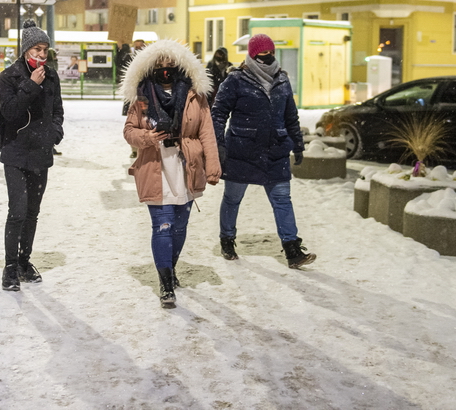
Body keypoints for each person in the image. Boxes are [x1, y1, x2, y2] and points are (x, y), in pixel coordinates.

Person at [121, 39, 221, 309]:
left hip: (185, 168)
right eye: (160, 65)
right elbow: (129, 131)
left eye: (171, 64)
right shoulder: (141, 98)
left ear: (180, 66)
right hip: (155, 168)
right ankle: (165, 283)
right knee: (162, 226)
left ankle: (171, 267)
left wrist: (213, 166)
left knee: (179, 227)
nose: (165, 69)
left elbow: (207, 133)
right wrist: (148, 136)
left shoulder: (193, 95)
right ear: (151, 67)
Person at [211, 33, 316, 269]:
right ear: (252, 55)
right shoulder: (236, 79)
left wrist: (297, 143)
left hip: (275, 150)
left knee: (282, 199)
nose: (267, 57)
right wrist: (219, 144)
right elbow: (218, 113)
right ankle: (227, 239)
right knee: (232, 198)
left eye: (271, 53)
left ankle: (292, 250)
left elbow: (290, 116)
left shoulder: (282, 80)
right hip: (241, 150)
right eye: (262, 54)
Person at [0, 20, 64, 292]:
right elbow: (10, 113)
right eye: (37, 49)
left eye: (45, 50)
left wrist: (54, 133)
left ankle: (25, 262)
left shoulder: (52, 76)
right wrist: (31, 86)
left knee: (33, 213)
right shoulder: (9, 77)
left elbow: (58, 110)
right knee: (18, 211)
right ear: (25, 50)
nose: (41, 55)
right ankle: (10, 268)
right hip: (15, 152)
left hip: (40, 152)